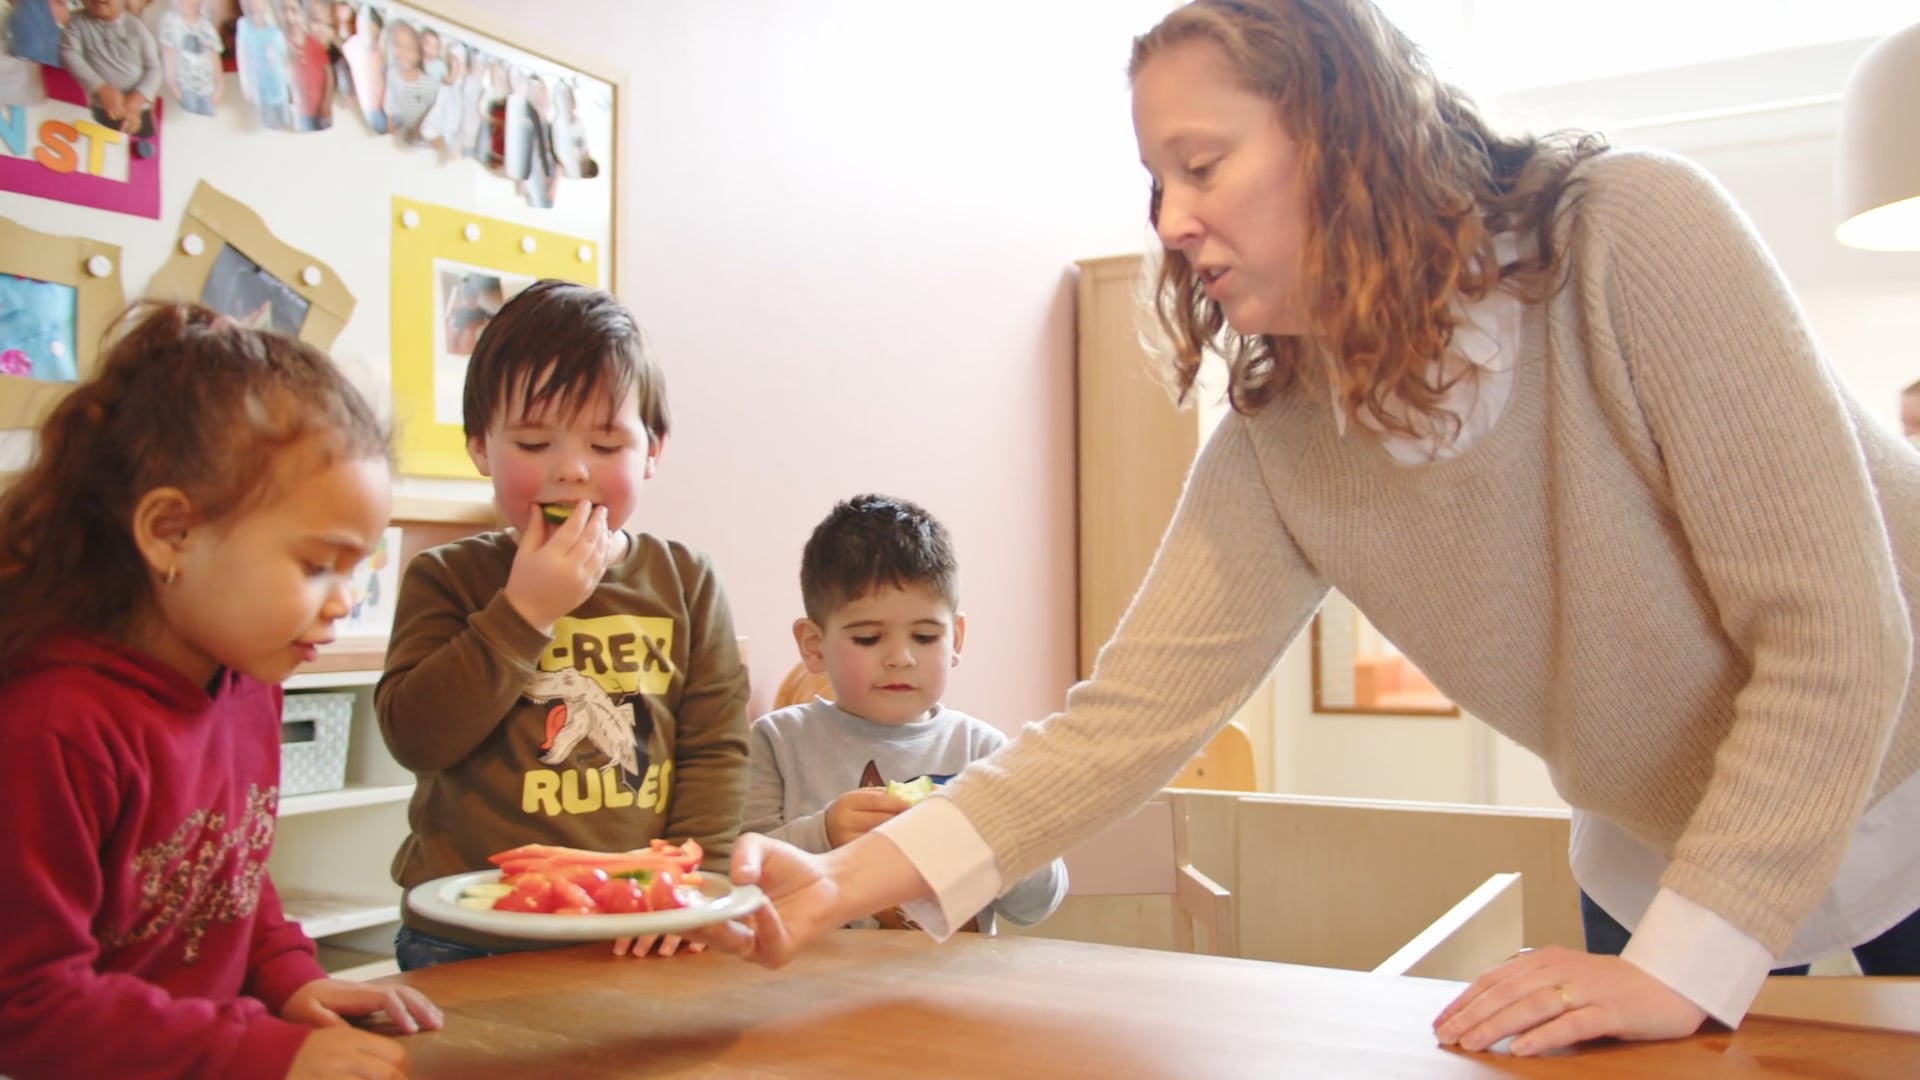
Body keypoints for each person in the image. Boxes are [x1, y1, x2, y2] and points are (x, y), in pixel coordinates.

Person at [701, 0, 1920, 1059]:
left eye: (1203, 163)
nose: (1171, 221)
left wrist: (1682, 964)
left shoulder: (1630, 231)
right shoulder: (1281, 439)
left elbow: (1840, 638)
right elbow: (1119, 730)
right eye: (1157, 182)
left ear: (1346, 138)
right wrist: (834, 885)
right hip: (1654, 854)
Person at [0, 303, 443, 1078]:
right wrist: (264, 1052)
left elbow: (224, 872)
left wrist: (288, 977)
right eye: (317, 566)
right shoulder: (54, 727)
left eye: (355, 569)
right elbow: (26, 1007)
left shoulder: (245, 683)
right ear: (171, 533)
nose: (342, 601)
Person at [377, 280, 750, 971]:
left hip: (640, 920)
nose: (572, 469)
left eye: (606, 444)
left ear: (653, 450)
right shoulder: (447, 578)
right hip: (469, 929)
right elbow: (415, 737)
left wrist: (695, 885)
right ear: (481, 448)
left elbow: (715, 752)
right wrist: (524, 612)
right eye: (534, 440)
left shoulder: (688, 582)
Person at [742, 494, 1067, 934]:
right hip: (817, 989)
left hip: (954, 992)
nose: (900, 658)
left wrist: (993, 837)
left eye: (925, 636)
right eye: (869, 638)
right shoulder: (777, 743)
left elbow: (1039, 904)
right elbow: (738, 880)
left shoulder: (984, 750)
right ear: (813, 645)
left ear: (956, 639)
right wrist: (822, 834)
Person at [59, 0, 160, 140]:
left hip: (138, 111)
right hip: (103, 109)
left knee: (138, 152)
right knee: (97, 152)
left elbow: (154, 69)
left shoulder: (135, 26)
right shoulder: (77, 22)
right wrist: (101, 88)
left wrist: (134, 102)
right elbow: (69, 55)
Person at [156, 0, 222, 117]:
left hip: (206, 87)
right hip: (184, 86)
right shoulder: (170, 20)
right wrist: (172, 85)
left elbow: (214, 55)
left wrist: (219, 85)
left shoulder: (205, 24)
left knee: (207, 122)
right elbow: (168, 53)